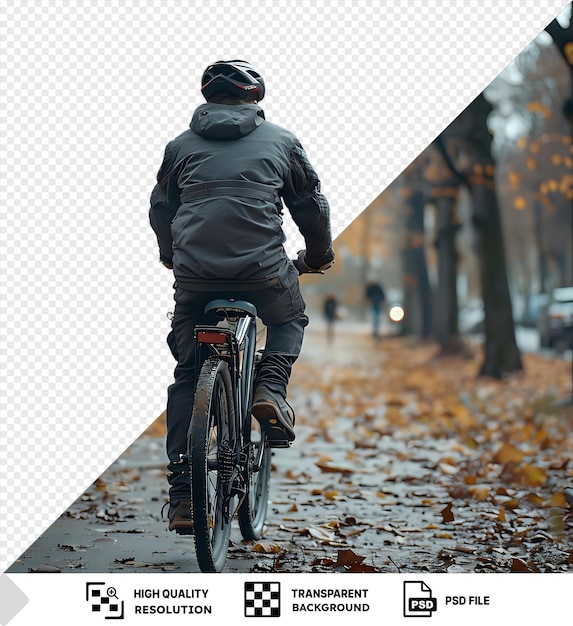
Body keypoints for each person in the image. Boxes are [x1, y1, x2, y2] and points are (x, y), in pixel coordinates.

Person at [149, 60, 334, 532]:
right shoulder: (282, 141)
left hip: (196, 280)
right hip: (263, 274)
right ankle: (270, 388)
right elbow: (309, 205)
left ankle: (185, 494)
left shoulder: (179, 147)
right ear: (256, 98)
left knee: (188, 374)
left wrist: (171, 257)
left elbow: (161, 208)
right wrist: (318, 256)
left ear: (208, 99)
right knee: (290, 319)